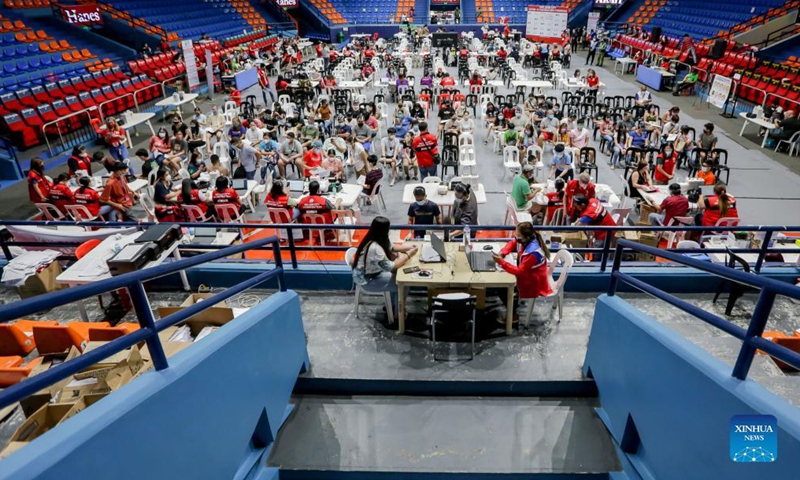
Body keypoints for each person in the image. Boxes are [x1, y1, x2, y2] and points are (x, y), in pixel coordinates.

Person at [351, 216, 418, 315]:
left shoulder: (377, 238)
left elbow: (392, 247)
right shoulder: (375, 247)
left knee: (397, 277)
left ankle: (392, 306)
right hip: (368, 280)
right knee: (403, 285)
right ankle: (398, 315)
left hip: (375, 273)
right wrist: (409, 255)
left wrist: (408, 247)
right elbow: (391, 266)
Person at [492, 222, 553, 327]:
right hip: (527, 276)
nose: (516, 238)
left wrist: (501, 262)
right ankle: (513, 306)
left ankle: (513, 314)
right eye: (516, 235)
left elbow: (519, 271)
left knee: (501, 287)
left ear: (526, 237)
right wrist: (502, 253)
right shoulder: (524, 241)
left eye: (519, 236)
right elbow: (513, 243)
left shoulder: (533, 253)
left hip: (533, 283)